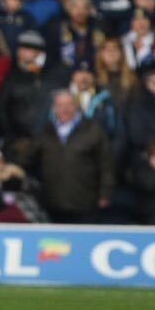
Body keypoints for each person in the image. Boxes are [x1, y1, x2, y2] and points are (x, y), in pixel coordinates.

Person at [29, 90, 115, 223]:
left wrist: (105, 193)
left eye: (68, 105)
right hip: (53, 204)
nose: (64, 109)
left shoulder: (93, 130)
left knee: (84, 242)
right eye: (60, 105)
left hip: (85, 203)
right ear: (53, 108)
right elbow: (31, 160)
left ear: (76, 106)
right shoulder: (44, 132)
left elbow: (106, 164)